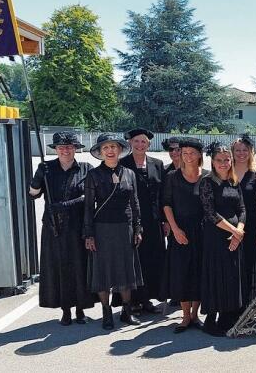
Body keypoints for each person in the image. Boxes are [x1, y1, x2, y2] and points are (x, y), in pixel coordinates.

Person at [29, 132, 95, 325]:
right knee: (59, 268)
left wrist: (65, 205)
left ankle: (81, 310)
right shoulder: (47, 168)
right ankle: (65, 310)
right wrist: (37, 179)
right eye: (61, 147)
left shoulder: (86, 169)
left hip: (78, 226)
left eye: (69, 147)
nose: (65, 150)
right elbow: (33, 195)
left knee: (80, 267)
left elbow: (88, 198)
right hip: (53, 227)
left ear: (75, 149)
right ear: (56, 150)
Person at [84, 133, 143, 330]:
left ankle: (126, 312)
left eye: (113, 147)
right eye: (106, 148)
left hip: (124, 228)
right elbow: (88, 207)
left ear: (119, 150)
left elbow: (135, 203)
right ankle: (106, 313)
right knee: (103, 273)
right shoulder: (93, 175)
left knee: (126, 271)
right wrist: (89, 234)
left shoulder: (129, 173)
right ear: (101, 152)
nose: (110, 151)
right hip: (102, 229)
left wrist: (138, 228)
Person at [199, 143, 249, 337]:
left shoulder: (234, 182)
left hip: (235, 236)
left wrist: (239, 231)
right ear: (212, 161)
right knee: (216, 276)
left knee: (231, 277)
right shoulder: (207, 182)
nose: (223, 163)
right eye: (219, 160)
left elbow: (242, 210)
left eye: (226, 160)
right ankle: (211, 321)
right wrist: (234, 232)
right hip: (216, 237)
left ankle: (228, 318)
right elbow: (210, 213)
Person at [162, 137, 208, 333]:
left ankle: (196, 315)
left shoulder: (207, 176)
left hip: (202, 231)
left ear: (199, 155)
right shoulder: (172, 177)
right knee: (181, 272)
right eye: (184, 153)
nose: (188, 156)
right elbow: (166, 205)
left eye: (192, 153)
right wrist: (175, 229)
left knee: (198, 272)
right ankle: (185, 316)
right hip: (179, 230)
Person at [120, 128, 166, 315]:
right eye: (137, 141)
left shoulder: (157, 164)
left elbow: (163, 195)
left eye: (144, 142)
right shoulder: (123, 164)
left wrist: (165, 221)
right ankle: (132, 301)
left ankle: (147, 299)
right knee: (133, 260)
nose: (140, 145)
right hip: (131, 219)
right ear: (130, 143)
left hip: (154, 220)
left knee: (152, 259)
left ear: (148, 144)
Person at [232, 134, 256, 302]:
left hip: (252, 225)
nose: (241, 153)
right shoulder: (226, 172)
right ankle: (235, 301)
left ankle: (252, 304)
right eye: (237, 150)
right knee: (234, 264)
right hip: (231, 224)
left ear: (250, 152)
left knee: (251, 263)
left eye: (245, 150)